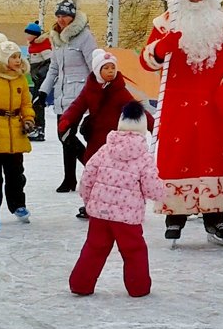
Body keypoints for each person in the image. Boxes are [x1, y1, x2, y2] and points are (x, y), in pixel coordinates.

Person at [139, 0, 223, 246]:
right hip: (178, 107)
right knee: (178, 157)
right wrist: (162, 48)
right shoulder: (165, 25)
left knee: (214, 157)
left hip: (215, 106)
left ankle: (215, 218)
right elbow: (146, 61)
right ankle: (176, 217)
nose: (197, 0)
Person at [69, 102, 166, 297]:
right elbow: (151, 187)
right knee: (134, 250)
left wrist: (89, 201)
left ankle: (80, 284)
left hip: (99, 214)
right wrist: (163, 192)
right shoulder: (144, 157)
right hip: (127, 218)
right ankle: (138, 287)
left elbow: (88, 175)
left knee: (94, 248)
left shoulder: (105, 149)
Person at [58, 48, 154, 219]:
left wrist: (153, 126)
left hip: (114, 141)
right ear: (97, 70)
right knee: (92, 170)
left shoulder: (119, 90)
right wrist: (66, 120)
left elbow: (137, 109)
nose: (110, 71)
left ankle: (118, 203)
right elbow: (78, 106)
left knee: (113, 174)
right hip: (95, 137)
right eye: (106, 68)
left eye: (112, 67)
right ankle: (91, 204)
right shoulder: (90, 88)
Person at [36, 0, 97, 192]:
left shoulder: (85, 36)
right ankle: (69, 178)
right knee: (64, 137)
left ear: (73, 17)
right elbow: (54, 68)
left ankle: (94, 168)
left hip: (80, 95)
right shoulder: (57, 38)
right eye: (59, 16)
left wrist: (94, 94)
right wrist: (43, 91)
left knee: (68, 135)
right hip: (62, 95)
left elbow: (94, 66)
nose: (61, 20)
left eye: (66, 16)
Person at [0, 39, 35, 222]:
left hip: (15, 133)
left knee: (16, 174)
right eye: (13, 57)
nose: (18, 60)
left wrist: (28, 119)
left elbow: (26, 103)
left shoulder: (20, 78)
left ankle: (18, 205)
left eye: (19, 56)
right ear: (3, 60)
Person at [25, 22, 52, 141]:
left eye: (28, 33)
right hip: (37, 80)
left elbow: (50, 62)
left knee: (37, 104)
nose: (26, 36)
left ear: (34, 35)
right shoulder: (32, 46)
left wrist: (40, 74)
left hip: (41, 81)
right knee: (35, 104)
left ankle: (39, 130)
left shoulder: (43, 45)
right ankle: (35, 128)